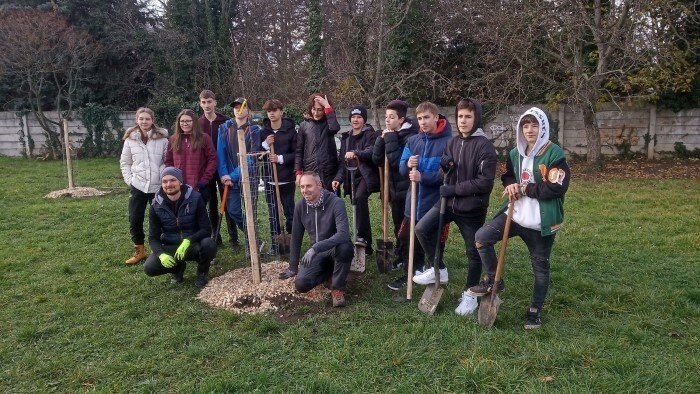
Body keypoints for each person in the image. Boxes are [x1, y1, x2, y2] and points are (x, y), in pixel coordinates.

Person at [467, 107, 570, 329]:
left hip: (539, 222)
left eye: (534, 125)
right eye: (525, 125)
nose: (530, 130)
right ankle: (495, 279)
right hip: (514, 215)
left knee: (540, 267)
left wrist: (524, 189)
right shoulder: (515, 153)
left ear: (543, 127)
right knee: (482, 237)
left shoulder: (554, 154)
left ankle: (535, 310)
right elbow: (509, 175)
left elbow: (556, 188)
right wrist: (511, 184)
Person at [413, 98, 497, 316]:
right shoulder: (452, 142)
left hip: (471, 209)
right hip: (448, 204)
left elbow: (485, 182)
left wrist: (454, 189)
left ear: (476, 118)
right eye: (460, 116)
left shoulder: (485, 146)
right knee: (421, 228)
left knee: (473, 252)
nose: (463, 121)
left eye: (468, 116)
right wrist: (444, 168)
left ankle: (470, 294)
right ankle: (438, 267)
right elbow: (446, 172)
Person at [396, 101, 452, 289]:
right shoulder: (413, 141)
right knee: (405, 238)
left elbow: (447, 175)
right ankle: (413, 273)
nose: (423, 122)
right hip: (413, 203)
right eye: (419, 118)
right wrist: (407, 165)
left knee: (434, 241)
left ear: (436, 117)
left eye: (426, 117)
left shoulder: (448, 143)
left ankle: (435, 274)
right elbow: (402, 168)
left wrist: (423, 177)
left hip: (435, 204)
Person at [282, 172, 353, 307]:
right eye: (302, 187)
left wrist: (316, 247)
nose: (304, 190)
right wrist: (292, 266)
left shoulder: (336, 202)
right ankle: (330, 273)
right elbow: (296, 236)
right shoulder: (300, 206)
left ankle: (337, 288)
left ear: (319, 185)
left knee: (345, 248)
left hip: (334, 247)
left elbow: (343, 234)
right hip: (318, 253)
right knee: (301, 285)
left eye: (309, 186)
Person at [372, 100, 421, 290]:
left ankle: (412, 261)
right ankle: (401, 256)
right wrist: (381, 139)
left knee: (406, 228)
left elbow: (395, 161)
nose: (388, 120)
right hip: (393, 191)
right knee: (397, 227)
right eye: (386, 117)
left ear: (401, 118)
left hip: (406, 190)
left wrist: (390, 139)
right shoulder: (390, 134)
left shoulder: (410, 136)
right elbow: (377, 159)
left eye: (392, 117)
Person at [143, 167, 217, 288]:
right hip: (171, 245)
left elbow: (206, 229)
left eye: (173, 180)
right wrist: (161, 254)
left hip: (193, 245)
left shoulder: (196, 198)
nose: (169, 184)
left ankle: (202, 272)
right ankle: (177, 268)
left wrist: (188, 240)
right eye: (165, 181)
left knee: (209, 244)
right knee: (149, 267)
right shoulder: (156, 205)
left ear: (180, 182)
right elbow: (153, 237)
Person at [119, 107, 169, 265]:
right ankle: (139, 250)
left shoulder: (162, 139)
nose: (144, 121)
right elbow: (125, 162)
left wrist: (163, 176)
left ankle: (158, 248)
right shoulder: (130, 140)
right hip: (138, 185)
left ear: (152, 120)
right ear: (137, 120)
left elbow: (168, 161)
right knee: (135, 218)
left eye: (147, 119)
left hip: (157, 186)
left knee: (159, 218)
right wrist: (129, 180)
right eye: (141, 119)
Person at [216, 97, 262, 257]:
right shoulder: (224, 128)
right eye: (235, 107)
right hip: (229, 179)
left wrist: (233, 175)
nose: (238, 109)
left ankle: (251, 244)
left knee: (251, 211)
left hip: (250, 177)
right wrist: (224, 175)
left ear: (248, 110)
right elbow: (220, 154)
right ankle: (254, 237)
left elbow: (251, 157)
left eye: (241, 107)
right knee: (234, 210)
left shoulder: (255, 130)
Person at [332, 105, 379, 255]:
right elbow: (342, 162)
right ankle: (364, 244)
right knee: (356, 205)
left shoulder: (370, 134)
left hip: (366, 175)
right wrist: (338, 179)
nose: (356, 120)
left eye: (359, 117)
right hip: (350, 176)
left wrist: (356, 153)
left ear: (364, 119)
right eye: (353, 117)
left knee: (359, 199)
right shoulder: (346, 138)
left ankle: (363, 238)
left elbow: (371, 152)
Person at [198, 89, 239, 249]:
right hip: (207, 169)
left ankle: (233, 238)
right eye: (203, 102)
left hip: (224, 168)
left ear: (215, 102)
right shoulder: (198, 124)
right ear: (200, 104)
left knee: (227, 202)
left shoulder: (225, 121)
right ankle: (216, 236)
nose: (207, 105)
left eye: (209, 102)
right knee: (211, 204)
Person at [260, 99, 297, 256]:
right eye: (269, 111)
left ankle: (293, 242)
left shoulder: (291, 131)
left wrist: (280, 158)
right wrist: (266, 145)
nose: (272, 113)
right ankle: (276, 244)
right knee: (273, 213)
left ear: (281, 112)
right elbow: (257, 154)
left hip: (286, 179)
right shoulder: (263, 132)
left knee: (289, 213)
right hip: (270, 179)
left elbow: (297, 154)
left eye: (275, 110)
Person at [165, 109, 218, 198]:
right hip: (179, 186)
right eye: (182, 121)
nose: (185, 124)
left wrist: (205, 179)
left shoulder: (204, 138)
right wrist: (172, 179)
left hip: (199, 186)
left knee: (198, 211)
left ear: (194, 122)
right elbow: (168, 161)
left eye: (188, 121)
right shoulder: (173, 139)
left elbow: (212, 159)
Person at [294, 93, 340, 191]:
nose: (316, 113)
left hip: (329, 171)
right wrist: (298, 172)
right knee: (312, 202)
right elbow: (299, 151)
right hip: (310, 171)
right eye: (314, 109)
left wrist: (327, 106)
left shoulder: (329, 123)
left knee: (331, 203)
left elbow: (335, 128)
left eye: (320, 110)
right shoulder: (304, 125)